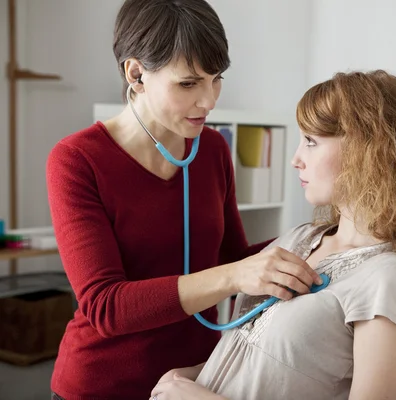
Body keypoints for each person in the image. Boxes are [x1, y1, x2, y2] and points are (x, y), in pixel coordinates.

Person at [45, 1, 321, 399]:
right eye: (189, 83)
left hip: (192, 382)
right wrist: (236, 274)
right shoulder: (76, 160)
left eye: (216, 79)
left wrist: (318, 236)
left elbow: (230, 257)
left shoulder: (210, 148)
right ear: (137, 74)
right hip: (102, 385)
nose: (209, 101)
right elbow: (105, 307)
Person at [150, 70, 396, 400]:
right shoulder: (299, 239)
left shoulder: (390, 280)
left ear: (370, 152)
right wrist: (187, 377)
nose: (295, 159)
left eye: (312, 142)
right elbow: (258, 358)